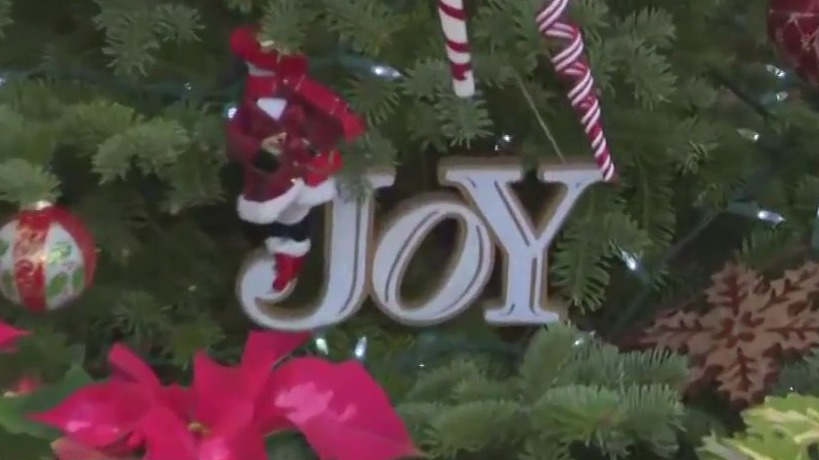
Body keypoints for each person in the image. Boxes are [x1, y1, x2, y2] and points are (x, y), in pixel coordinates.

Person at [225, 25, 365, 291]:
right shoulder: (250, 107)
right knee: (279, 216)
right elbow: (236, 139)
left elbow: (328, 120)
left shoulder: (299, 93)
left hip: (305, 172)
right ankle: (285, 254)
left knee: (296, 214)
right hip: (271, 178)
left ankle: (291, 256)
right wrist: (257, 152)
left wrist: (310, 145)